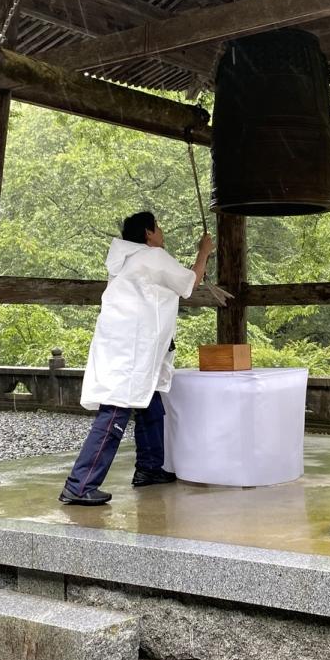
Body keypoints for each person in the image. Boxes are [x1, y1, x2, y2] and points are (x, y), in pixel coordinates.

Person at [59, 211, 214, 505]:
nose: (162, 231)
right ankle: (80, 485)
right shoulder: (152, 257)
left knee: (150, 401)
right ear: (148, 233)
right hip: (131, 349)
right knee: (115, 411)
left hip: (123, 343)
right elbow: (190, 283)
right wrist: (203, 251)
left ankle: (150, 468)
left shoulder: (126, 260)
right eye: (158, 227)